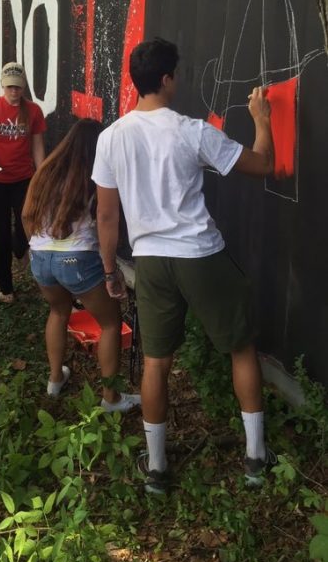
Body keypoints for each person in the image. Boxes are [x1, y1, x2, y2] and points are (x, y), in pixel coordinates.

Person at [92, 38, 275, 494]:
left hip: (151, 261)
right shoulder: (190, 131)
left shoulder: (111, 137)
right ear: (168, 79)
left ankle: (156, 469)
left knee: (156, 363)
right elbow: (262, 164)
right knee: (241, 347)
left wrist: (111, 271)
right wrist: (261, 120)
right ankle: (255, 458)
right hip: (198, 254)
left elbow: (107, 215)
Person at [22, 119, 141, 411]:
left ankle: (54, 379)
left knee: (58, 311)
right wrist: (109, 270)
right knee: (111, 323)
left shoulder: (47, 169)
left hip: (40, 256)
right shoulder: (97, 175)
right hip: (76, 259)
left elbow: (26, 215)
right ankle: (111, 398)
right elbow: (106, 220)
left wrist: (37, 247)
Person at [0, 62, 46, 302]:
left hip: (23, 177)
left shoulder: (33, 111)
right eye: (10, 87)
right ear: (3, 86)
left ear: (24, 86)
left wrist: (41, 171)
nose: (14, 92)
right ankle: (5, 285)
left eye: (18, 87)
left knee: (28, 222)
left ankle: (20, 249)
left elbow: (37, 144)